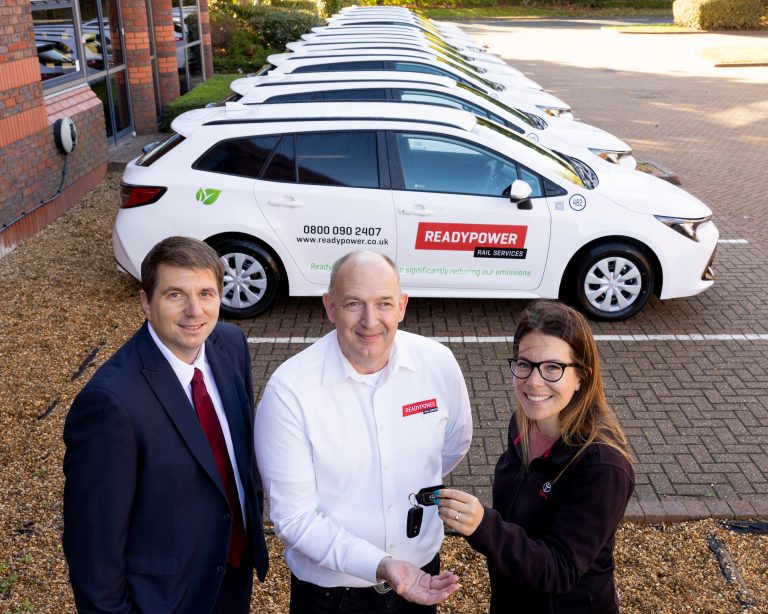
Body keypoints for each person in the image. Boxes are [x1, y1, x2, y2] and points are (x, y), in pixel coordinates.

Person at [254, 250, 472, 613]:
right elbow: (295, 518)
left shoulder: (438, 364)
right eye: (354, 303)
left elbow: (452, 446)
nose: (371, 321)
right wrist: (381, 563)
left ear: (402, 305)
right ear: (330, 306)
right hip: (333, 595)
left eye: (384, 303)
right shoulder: (289, 391)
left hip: (422, 576)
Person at [63, 236, 269, 613]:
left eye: (206, 293)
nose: (195, 311)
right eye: (175, 295)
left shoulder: (230, 344)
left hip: (234, 573)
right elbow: (94, 546)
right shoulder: (111, 404)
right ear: (146, 301)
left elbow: (239, 451)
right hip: (167, 597)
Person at [438, 300, 634, 613]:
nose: (533, 381)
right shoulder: (522, 425)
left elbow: (559, 570)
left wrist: (483, 525)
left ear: (581, 376)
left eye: (553, 368)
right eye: (525, 364)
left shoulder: (602, 466)